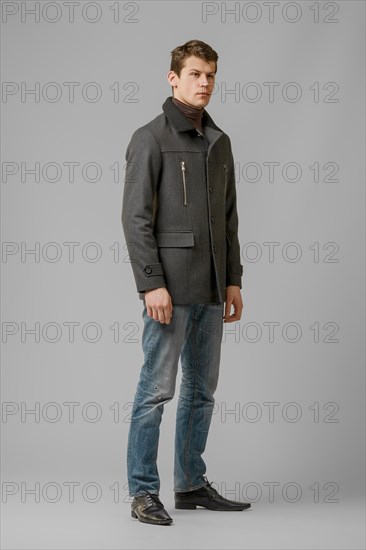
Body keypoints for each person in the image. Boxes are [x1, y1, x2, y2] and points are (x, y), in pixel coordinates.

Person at [121, 39, 251, 526]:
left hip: (213, 289)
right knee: (156, 391)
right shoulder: (149, 138)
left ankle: (191, 484)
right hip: (169, 292)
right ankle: (141, 491)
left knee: (202, 392)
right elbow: (135, 219)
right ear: (173, 78)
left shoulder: (220, 142)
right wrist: (151, 282)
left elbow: (229, 218)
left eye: (211, 75)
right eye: (195, 74)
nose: (205, 83)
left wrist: (234, 279)